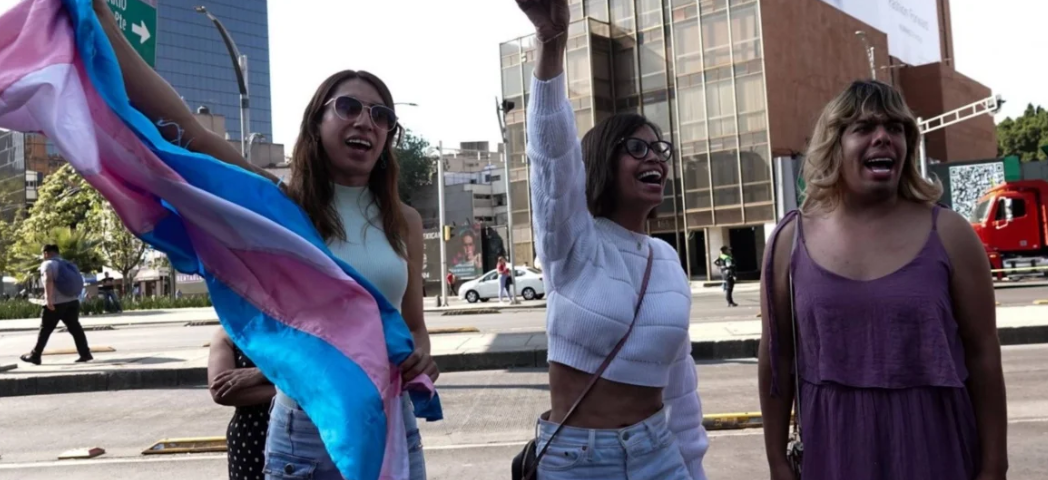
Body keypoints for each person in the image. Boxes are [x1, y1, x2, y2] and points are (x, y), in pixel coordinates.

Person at [90, 2, 439, 478]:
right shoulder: (282, 208)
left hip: (391, 425)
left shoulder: (405, 221)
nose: (366, 122)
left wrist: (421, 356)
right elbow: (189, 131)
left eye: (381, 116)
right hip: (304, 436)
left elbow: (414, 325)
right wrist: (103, 21)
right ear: (316, 123)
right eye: (348, 107)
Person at [758, 80, 1008, 480]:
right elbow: (777, 357)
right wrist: (776, 461)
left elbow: (983, 354)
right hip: (833, 450)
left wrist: (994, 465)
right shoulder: (789, 240)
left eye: (895, 128)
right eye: (863, 128)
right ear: (835, 144)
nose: (883, 137)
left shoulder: (951, 234)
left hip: (936, 448)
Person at [515, 1, 708, 478]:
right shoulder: (572, 241)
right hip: (579, 461)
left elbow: (681, 387)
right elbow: (551, 157)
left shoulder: (667, 259)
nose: (655, 158)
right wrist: (551, 43)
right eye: (637, 148)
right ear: (603, 160)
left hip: (660, 456)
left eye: (659, 149)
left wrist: (693, 468)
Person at [208, 328, 275, 480]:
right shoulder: (228, 333)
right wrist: (290, 391)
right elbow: (221, 391)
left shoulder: (298, 326)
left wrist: (261, 374)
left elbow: (317, 372)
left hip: (304, 433)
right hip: (252, 437)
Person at [20, 244, 92, 365]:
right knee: (75, 328)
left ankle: (35, 356)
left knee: (45, 329)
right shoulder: (67, 264)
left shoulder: (48, 264)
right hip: (72, 301)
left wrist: (48, 300)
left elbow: (48, 280)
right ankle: (85, 354)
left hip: (56, 303)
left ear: (46, 253)